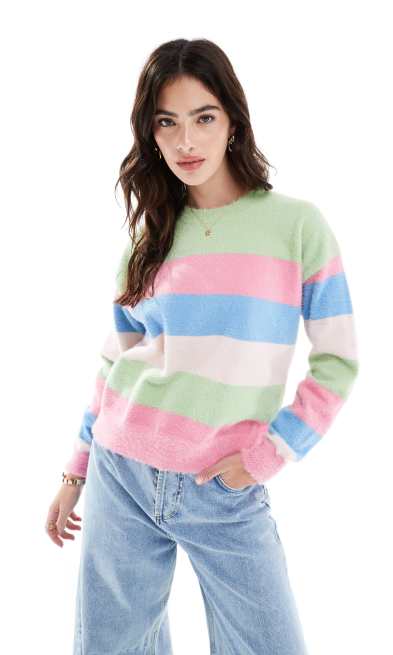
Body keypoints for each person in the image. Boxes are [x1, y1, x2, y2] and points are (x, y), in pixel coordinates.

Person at [45, 38, 359, 655]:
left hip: (225, 486)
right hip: (122, 472)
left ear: (233, 121)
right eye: (167, 123)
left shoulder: (296, 225)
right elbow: (115, 360)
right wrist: (75, 470)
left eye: (203, 118)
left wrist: (270, 454)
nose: (186, 142)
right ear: (151, 134)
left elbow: (338, 361)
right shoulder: (151, 235)